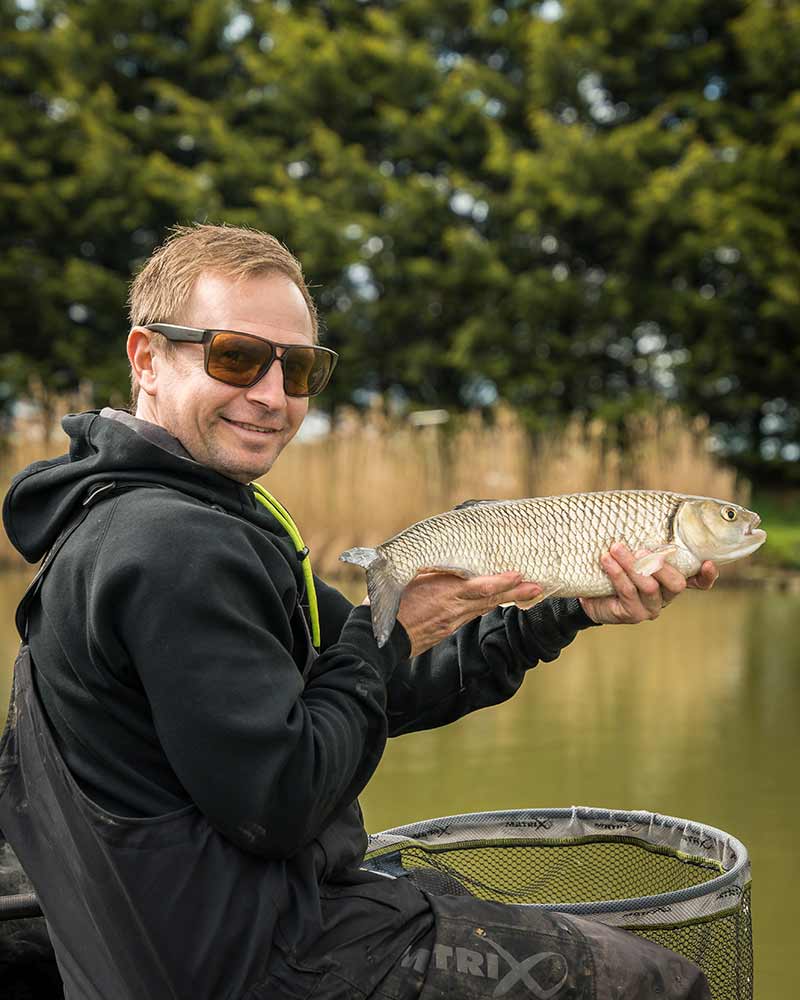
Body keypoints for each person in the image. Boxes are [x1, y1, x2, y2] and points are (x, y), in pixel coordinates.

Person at [0, 224, 716, 1000]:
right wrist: (392, 637)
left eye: (299, 367)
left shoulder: (186, 515)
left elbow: (370, 681)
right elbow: (280, 802)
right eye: (234, 357)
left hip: (218, 928)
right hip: (251, 961)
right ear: (148, 358)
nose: (272, 396)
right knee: (656, 985)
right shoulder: (171, 546)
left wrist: (563, 606)